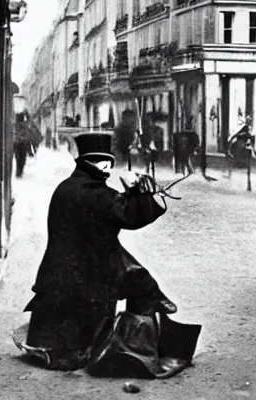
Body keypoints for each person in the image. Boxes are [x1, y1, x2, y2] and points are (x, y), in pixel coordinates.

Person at [23, 132, 177, 370]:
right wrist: (142, 193)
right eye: (101, 162)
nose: (106, 168)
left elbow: (109, 212)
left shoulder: (65, 188)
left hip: (57, 275)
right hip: (89, 278)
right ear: (89, 163)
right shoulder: (97, 194)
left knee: (122, 264)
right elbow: (127, 214)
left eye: (109, 163)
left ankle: (149, 301)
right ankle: (138, 337)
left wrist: (133, 194)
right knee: (132, 276)